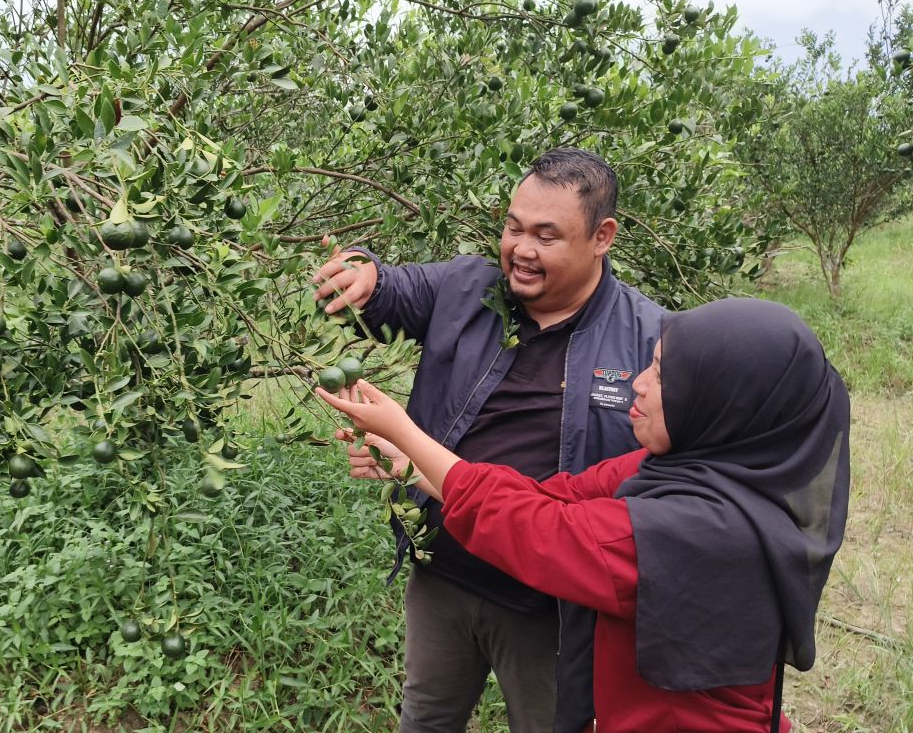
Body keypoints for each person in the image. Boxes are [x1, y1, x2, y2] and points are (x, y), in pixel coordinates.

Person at [317, 298, 851, 733]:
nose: (638, 384)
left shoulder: (705, 532)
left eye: (662, 375)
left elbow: (543, 532)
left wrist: (406, 431)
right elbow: (552, 496)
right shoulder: (680, 467)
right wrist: (412, 463)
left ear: (723, 401)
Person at [312, 147, 664, 732]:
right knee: (427, 718)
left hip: (550, 605)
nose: (521, 250)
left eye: (546, 236)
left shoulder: (647, 339)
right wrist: (361, 270)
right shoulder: (464, 289)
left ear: (602, 236)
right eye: (512, 227)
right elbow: (390, 291)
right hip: (443, 574)